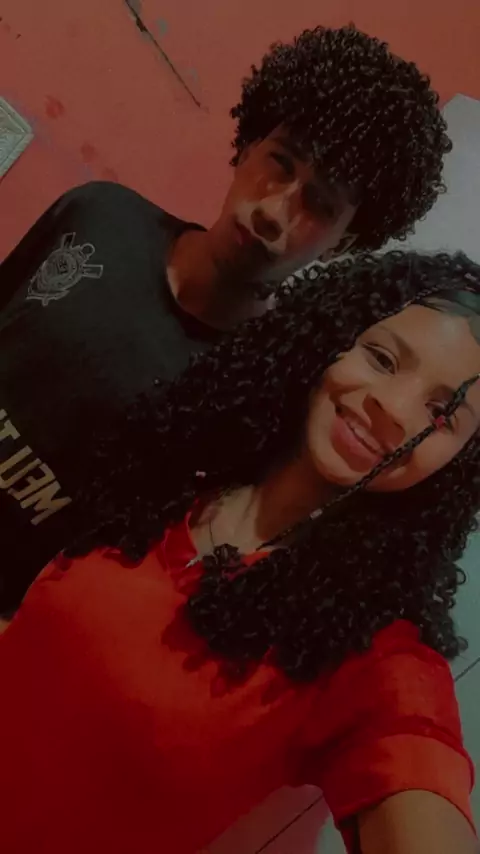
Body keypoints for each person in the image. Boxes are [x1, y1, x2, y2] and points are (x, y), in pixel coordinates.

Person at [1, 251, 479, 854]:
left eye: (442, 415)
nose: (396, 407)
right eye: (382, 358)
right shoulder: (175, 472)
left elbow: (417, 759)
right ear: (331, 336)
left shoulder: (369, 656)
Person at [0, 24, 451, 608]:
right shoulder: (98, 214)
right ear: (247, 145)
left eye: (318, 204)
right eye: (280, 162)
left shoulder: (258, 395)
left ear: (344, 243)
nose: (274, 210)